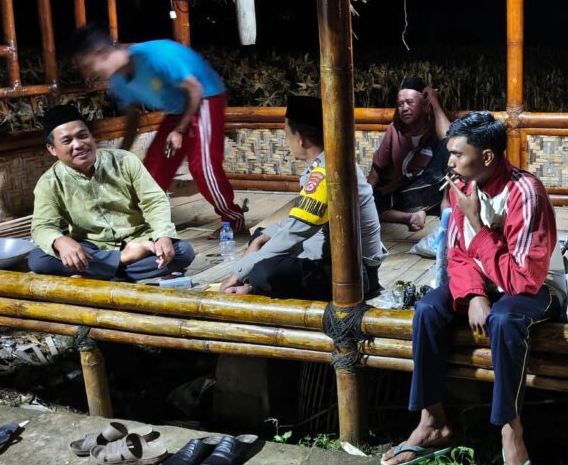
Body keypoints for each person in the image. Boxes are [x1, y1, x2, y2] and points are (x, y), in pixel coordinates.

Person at [381, 112, 560, 465]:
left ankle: (512, 433)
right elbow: (458, 256)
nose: (449, 161)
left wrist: (477, 223)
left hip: (531, 289)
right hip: (483, 285)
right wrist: (475, 295)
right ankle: (433, 422)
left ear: (488, 157)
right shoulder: (462, 186)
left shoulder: (525, 192)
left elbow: (521, 280)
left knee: (505, 319)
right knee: (428, 309)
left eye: (458, 154)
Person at [66, 24, 246, 235]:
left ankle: (233, 220)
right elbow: (133, 117)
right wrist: (121, 154)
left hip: (205, 98)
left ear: (103, 53)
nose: (88, 74)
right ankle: (143, 222)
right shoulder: (117, 79)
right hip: (176, 110)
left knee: (202, 166)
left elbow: (195, 89)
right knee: (154, 168)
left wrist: (179, 131)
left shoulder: (157, 55)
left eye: (89, 66)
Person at [218, 95, 386, 300]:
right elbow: (297, 220)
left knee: (264, 271)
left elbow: (295, 233)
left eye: (286, 133)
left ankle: (253, 289)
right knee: (261, 236)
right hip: (328, 258)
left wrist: (237, 273)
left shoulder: (327, 173)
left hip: (354, 276)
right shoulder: (325, 164)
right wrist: (262, 239)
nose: (286, 140)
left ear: (301, 139)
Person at [28, 104, 195, 282]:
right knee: (39, 260)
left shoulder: (125, 161)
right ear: (52, 149)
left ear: (92, 136)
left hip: (139, 240)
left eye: (82, 136)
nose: (78, 145)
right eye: (67, 141)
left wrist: (162, 235)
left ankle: (100, 273)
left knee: (183, 252)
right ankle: (123, 261)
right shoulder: (49, 183)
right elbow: (41, 226)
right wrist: (59, 241)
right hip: (93, 248)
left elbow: (154, 200)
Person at [368, 76, 451, 231]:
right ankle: (411, 216)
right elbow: (376, 170)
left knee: (450, 150)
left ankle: (428, 208)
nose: (404, 108)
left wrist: (434, 102)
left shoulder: (434, 126)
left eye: (409, 102)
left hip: (432, 187)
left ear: (424, 103)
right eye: (400, 104)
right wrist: (364, 199)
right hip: (404, 195)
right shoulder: (394, 129)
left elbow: (450, 141)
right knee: (370, 203)